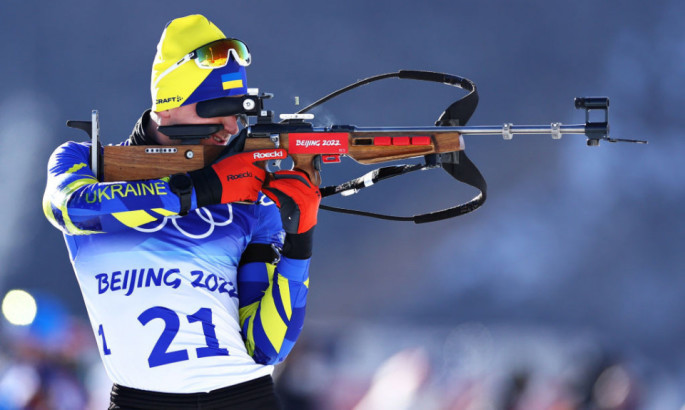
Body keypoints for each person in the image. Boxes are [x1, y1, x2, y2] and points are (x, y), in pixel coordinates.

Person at [43, 14, 320, 409]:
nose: (230, 127)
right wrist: (202, 189)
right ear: (169, 107)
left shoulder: (251, 199)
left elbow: (267, 346)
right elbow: (71, 209)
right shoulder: (85, 163)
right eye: (216, 110)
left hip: (245, 399)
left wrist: (300, 242)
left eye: (238, 114)